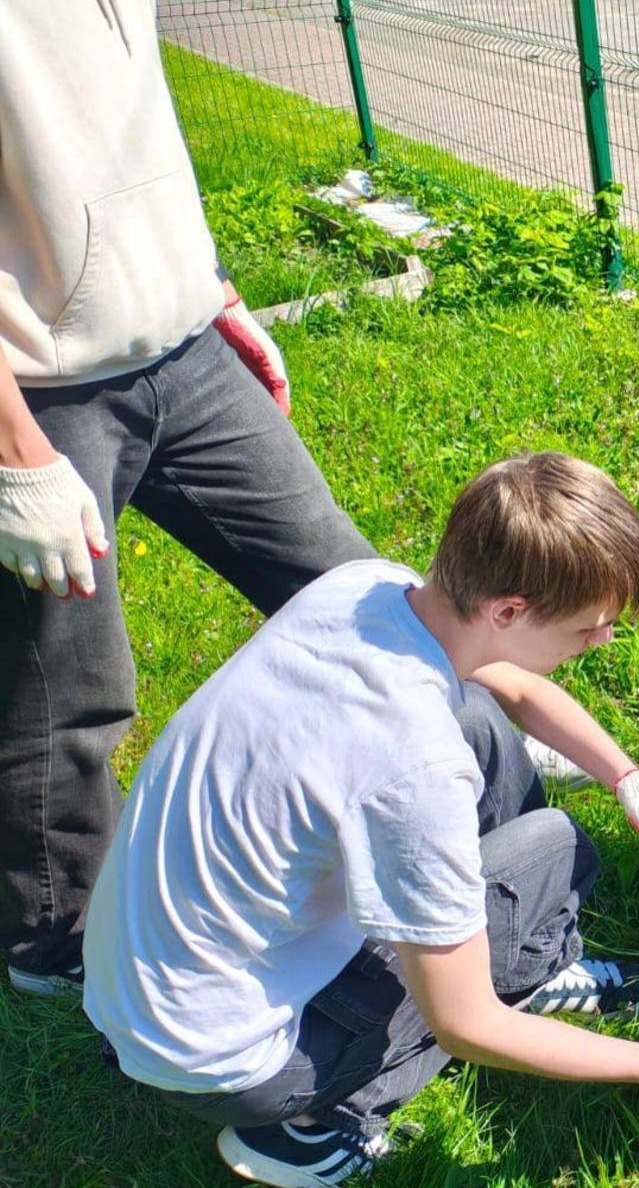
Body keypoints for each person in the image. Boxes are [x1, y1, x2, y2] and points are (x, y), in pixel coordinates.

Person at [83, 454, 639, 1187]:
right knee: (552, 847)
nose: (603, 643)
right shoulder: (413, 766)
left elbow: (513, 686)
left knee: (482, 718)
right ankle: (313, 1129)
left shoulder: (365, 590)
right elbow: (469, 1025)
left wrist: (630, 778)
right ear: (509, 611)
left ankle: (528, 955)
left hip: (140, 992)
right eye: (590, 629)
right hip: (232, 1061)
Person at [0, 1, 375, 996]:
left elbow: (128, 137)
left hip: (186, 347)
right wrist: (12, 453)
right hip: (36, 385)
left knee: (345, 584)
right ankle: (55, 933)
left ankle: (446, 765)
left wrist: (209, 286)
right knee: (63, 691)